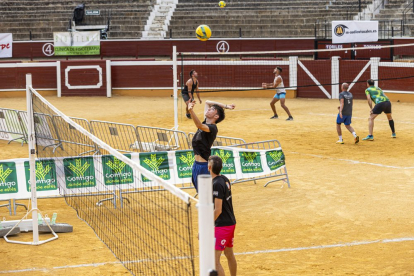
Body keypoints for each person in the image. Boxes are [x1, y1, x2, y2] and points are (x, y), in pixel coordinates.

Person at [188, 100, 235, 191]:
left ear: (216, 116)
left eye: (212, 109)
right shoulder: (206, 122)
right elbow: (207, 102)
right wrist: (226, 106)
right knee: (201, 193)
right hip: (196, 165)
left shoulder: (212, 128)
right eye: (210, 109)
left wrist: (191, 111)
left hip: (204, 166)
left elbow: (199, 125)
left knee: (206, 195)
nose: (209, 109)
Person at [209, 155, 237, 276]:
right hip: (230, 223)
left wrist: (206, 226)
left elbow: (218, 210)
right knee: (229, 254)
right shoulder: (224, 179)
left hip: (223, 226)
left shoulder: (216, 184)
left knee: (215, 262)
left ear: (209, 167)